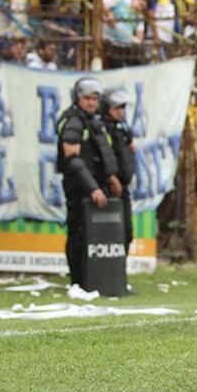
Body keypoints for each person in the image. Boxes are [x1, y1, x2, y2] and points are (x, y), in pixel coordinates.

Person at [56, 78, 122, 299]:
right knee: (77, 235)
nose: (92, 102)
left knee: (94, 238)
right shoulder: (73, 121)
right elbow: (72, 159)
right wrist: (92, 188)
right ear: (78, 98)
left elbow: (102, 152)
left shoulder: (92, 120)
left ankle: (94, 280)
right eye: (87, 98)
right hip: (80, 188)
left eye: (95, 98)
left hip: (96, 186)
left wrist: (111, 177)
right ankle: (78, 282)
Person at [100, 87, 137, 266]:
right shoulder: (100, 128)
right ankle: (106, 270)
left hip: (124, 186)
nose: (121, 112)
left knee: (126, 232)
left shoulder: (122, 129)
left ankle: (119, 270)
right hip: (108, 187)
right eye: (117, 108)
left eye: (123, 108)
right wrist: (111, 178)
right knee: (107, 233)